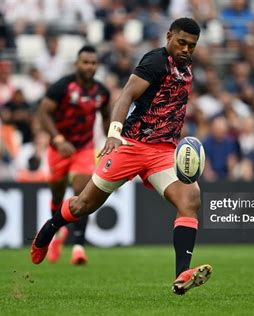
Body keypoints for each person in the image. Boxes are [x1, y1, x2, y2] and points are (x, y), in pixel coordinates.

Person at [31, 18, 212, 295]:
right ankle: (48, 230)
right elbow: (126, 96)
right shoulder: (154, 61)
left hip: (162, 152)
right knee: (83, 206)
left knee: (190, 198)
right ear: (168, 37)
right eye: (182, 42)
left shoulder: (186, 68)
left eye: (192, 45)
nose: (186, 49)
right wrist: (114, 133)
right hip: (130, 146)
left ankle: (181, 275)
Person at [37, 45, 111, 265]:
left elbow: (107, 117)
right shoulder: (62, 87)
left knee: (81, 194)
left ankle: (79, 247)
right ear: (77, 64)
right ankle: (57, 234)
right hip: (59, 148)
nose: (89, 66)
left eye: (93, 63)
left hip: (84, 148)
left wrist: (112, 138)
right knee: (58, 195)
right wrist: (58, 139)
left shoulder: (101, 92)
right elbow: (43, 113)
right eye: (85, 62)